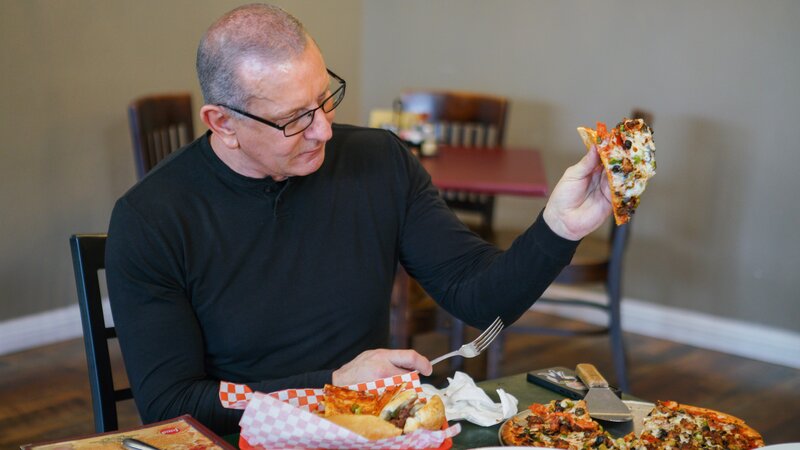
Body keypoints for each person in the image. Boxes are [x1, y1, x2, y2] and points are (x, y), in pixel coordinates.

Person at [106, 3, 611, 436]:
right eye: (295, 118)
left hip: (370, 431)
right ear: (223, 123)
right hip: (244, 438)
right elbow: (171, 405)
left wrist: (559, 228)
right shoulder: (152, 219)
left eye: (325, 98)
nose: (323, 130)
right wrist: (329, 385)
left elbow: (477, 292)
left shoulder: (378, 161)